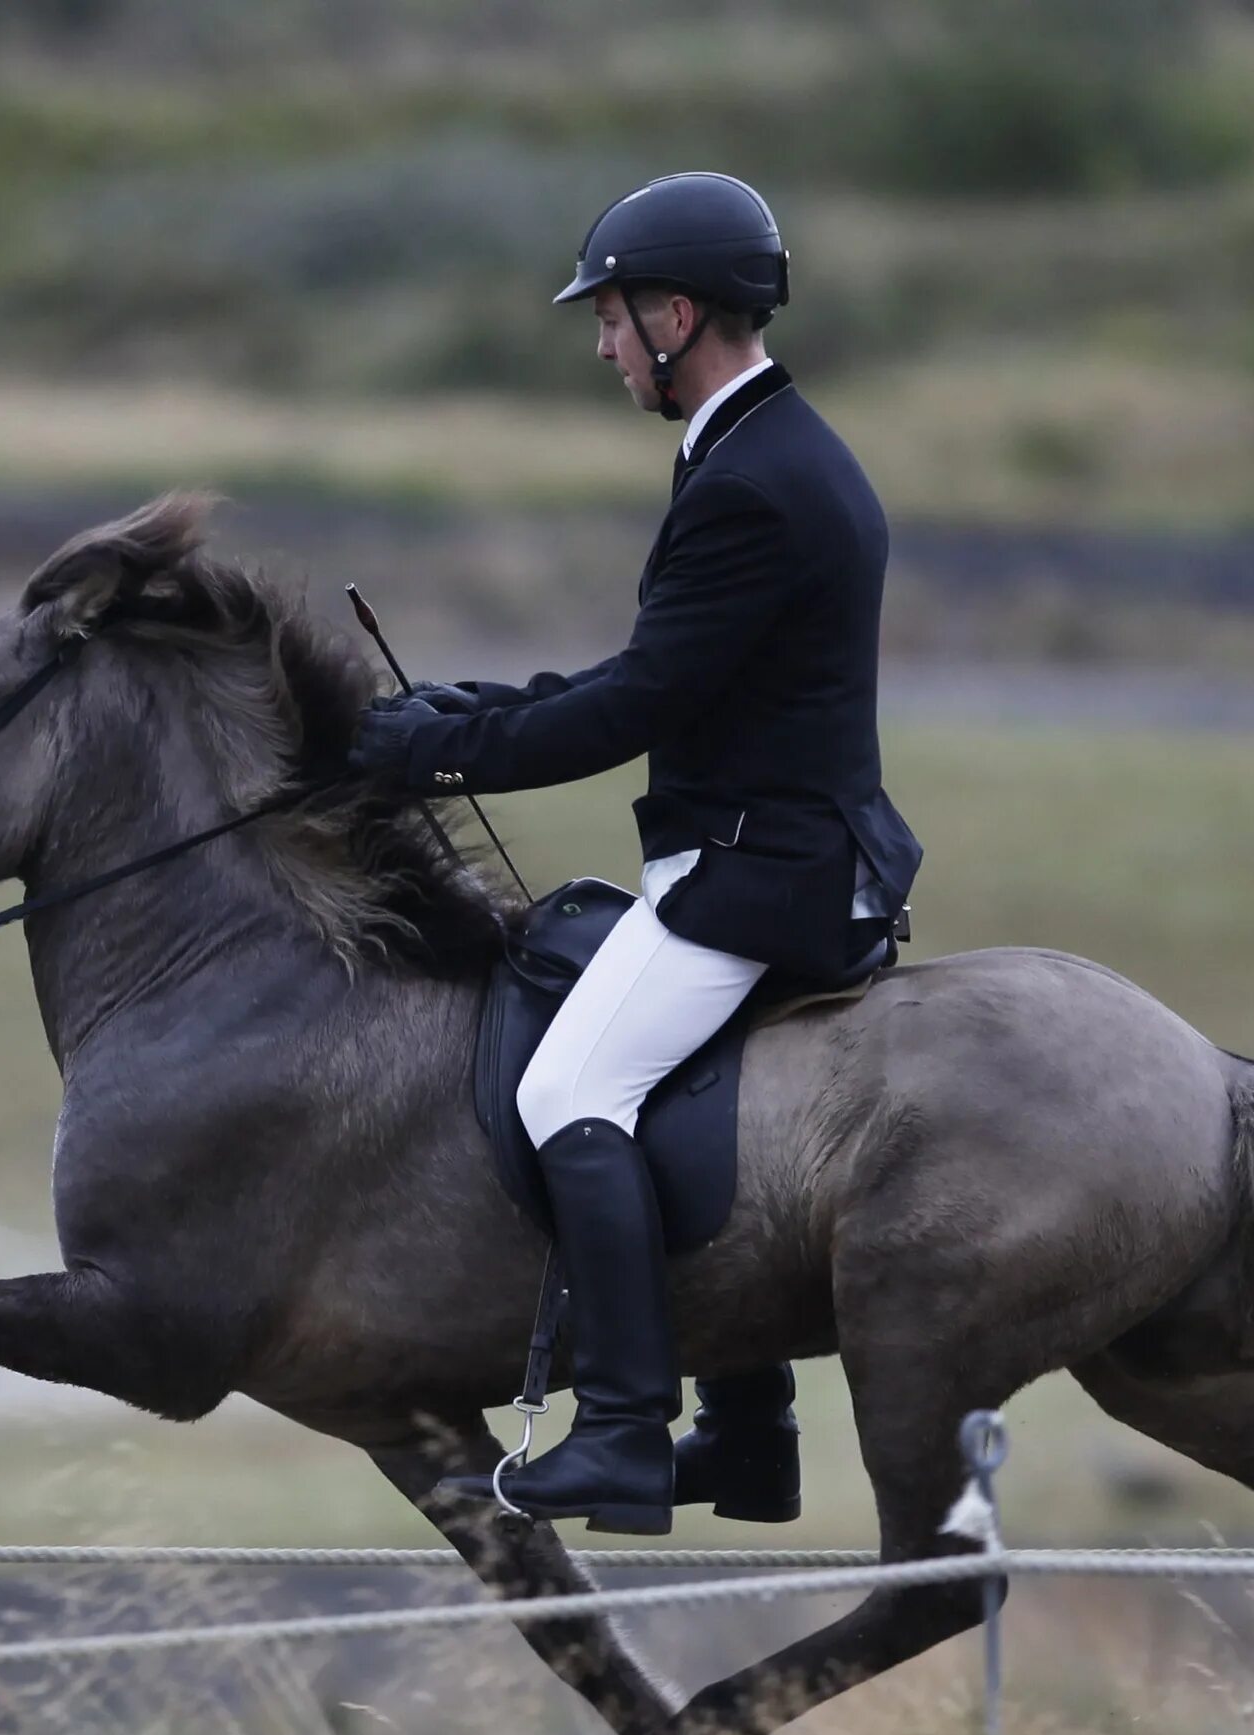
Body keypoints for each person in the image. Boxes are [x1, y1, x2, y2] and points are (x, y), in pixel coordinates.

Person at [346, 171, 921, 1533]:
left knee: (572, 1096)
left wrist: (433, 754)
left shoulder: (754, 483)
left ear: (675, 314)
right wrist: (465, 712)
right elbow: (657, 673)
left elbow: (631, 710)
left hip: (759, 878)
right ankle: (748, 1429)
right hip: (782, 852)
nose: (602, 347)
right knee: (637, 1073)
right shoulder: (763, 449)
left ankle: (619, 1432)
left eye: (610, 320)